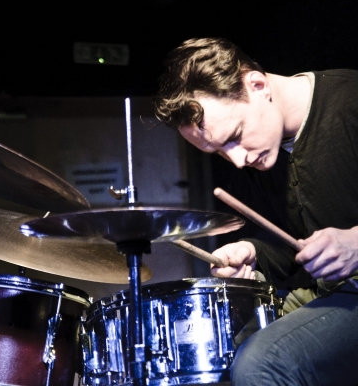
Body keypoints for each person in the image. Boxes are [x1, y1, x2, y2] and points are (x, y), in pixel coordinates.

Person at [153, 37, 358, 385]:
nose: (237, 159)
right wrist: (254, 252)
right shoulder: (264, 152)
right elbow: (299, 249)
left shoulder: (350, 101)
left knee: (262, 364)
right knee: (215, 357)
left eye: (235, 135)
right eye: (219, 151)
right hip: (331, 293)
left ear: (258, 85)